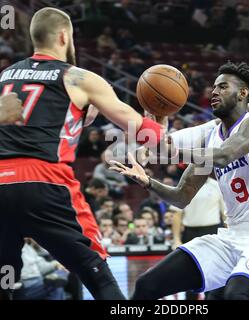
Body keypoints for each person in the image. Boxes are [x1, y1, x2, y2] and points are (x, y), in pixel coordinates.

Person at [0, 7, 164, 300]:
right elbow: (136, 126)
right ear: (65, 37)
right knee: (96, 271)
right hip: (44, 180)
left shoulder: (5, 76)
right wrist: (162, 132)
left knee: (6, 279)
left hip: (2, 181)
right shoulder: (78, 77)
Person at [109, 61, 249, 300]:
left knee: (236, 295)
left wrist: (170, 151)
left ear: (243, 93)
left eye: (223, 87)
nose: (214, 92)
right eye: (213, 87)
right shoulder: (211, 140)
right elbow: (181, 197)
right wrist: (148, 182)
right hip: (232, 237)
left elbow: (224, 156)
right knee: (147, 285)